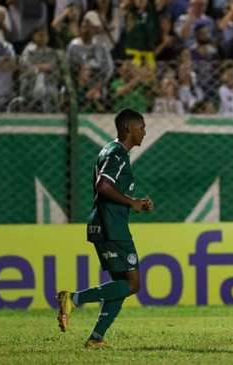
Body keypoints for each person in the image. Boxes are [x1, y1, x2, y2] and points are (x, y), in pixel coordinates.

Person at [57, 108, 154, 349]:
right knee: (132, 285)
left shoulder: (113, 153)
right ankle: (73, 299)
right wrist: (133, 203)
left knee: (120, 286)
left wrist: (137, 202)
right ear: (128, 128)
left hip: (107, 225)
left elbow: (110, 188)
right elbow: (103, 186)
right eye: (141, 127)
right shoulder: (117, 154)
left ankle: (96, 338)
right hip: (111, 228)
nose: (144, 131)